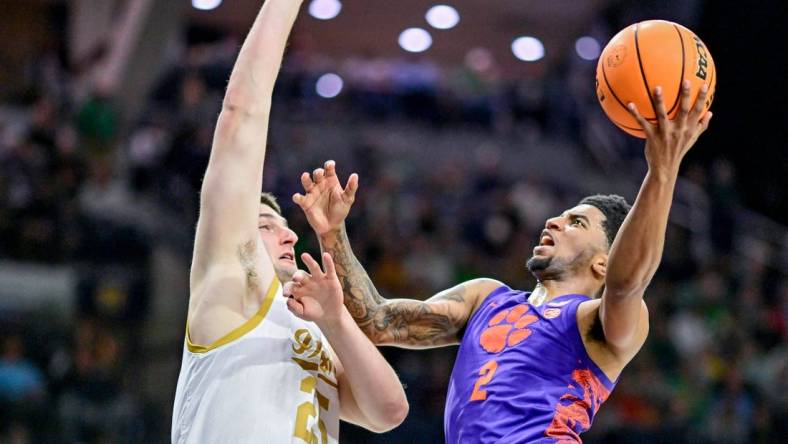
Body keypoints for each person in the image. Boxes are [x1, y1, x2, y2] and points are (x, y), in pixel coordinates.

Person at [294, 82, 712, 442]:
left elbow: (626, 282)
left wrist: (662, 169)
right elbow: (378, 323)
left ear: (603, 262)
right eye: (562, 215)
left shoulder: (601, 322)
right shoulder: (487, 297)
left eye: (576, 222)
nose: (554, 221)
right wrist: (333, 232)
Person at [171, 1, 408, 443]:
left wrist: (336, 320)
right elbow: (241, 115)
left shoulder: (308, 329)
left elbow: (389, 411)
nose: (287, 232)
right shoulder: (229, 286)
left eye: (282, 223)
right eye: (264, 223)